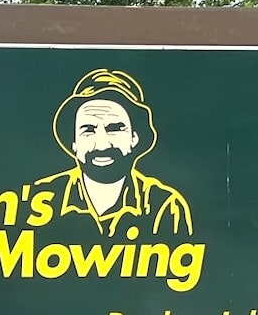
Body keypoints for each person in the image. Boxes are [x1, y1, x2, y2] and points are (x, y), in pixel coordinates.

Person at [35, 68, 193, 237]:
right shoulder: (41, 200)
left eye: (114, 129)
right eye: (88, 130)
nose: (102, 145)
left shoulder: (164, 206)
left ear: (134, 138)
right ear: (74, 143)